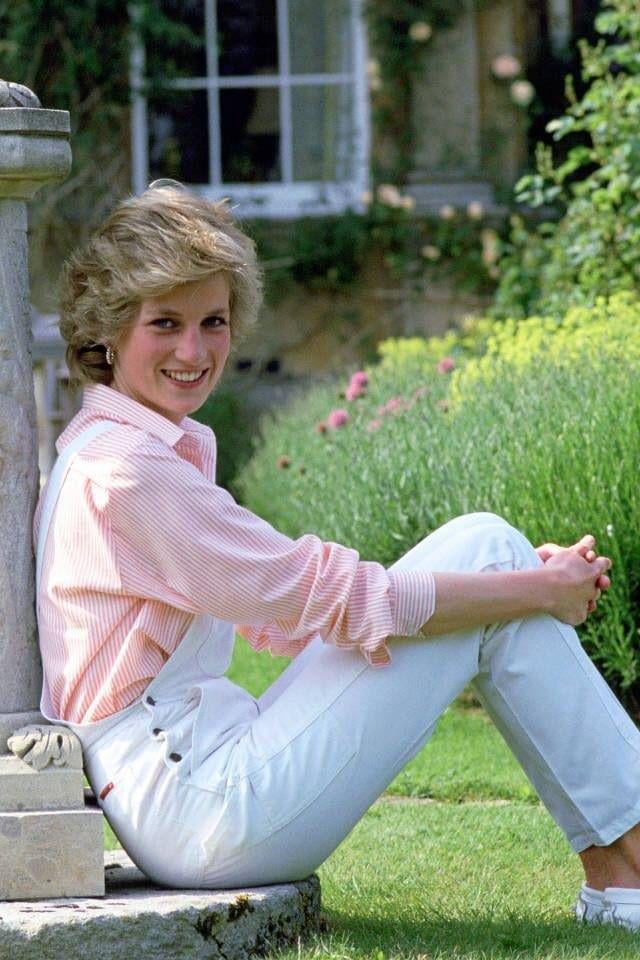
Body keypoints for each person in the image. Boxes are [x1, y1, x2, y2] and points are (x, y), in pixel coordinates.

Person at [35, 182, 640, 930]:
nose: (194, 351)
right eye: (166, 323)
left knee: (490, 551)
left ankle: (623, 873)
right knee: (492, 560)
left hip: (190, 785)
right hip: (202, 805)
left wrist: (519, 585)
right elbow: (328, 595)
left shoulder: (116, 448)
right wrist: (538, 589)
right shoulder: (128, 471)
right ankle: (628, 867)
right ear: (108, 332)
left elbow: (282, 609)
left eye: (213, 321)